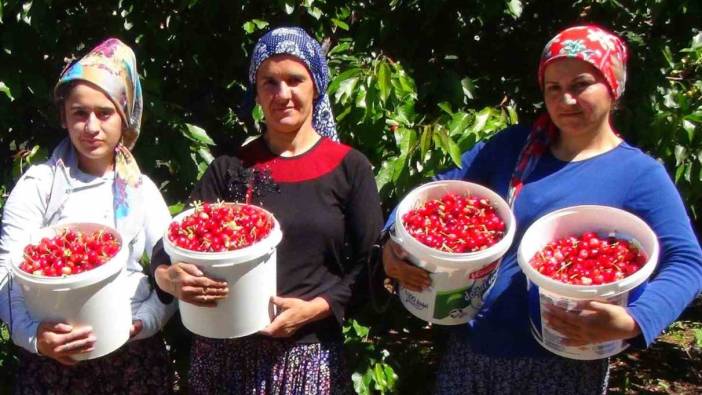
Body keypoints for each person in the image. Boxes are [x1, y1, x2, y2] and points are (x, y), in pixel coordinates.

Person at [382, 25, 702, 394]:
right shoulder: (513, 146)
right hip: (473, 347)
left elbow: (687, 262)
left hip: (561, 365)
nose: (566, 100)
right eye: (554, 88)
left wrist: (636, 320)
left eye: (581, 85)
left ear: (613, 87)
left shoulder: (638, 175)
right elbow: (436, 191)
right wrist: (394, 241)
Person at [149, 26, 383, 394]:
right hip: (223, 355)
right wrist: (168, 277)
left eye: (295, 80)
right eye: (269, 83)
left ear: (316, 86)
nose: (282, 94)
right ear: (256, 93)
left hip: (307, 357)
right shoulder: (231, 169)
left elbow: (374, 264)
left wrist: (318, 307)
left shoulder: (348, 168)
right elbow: (169, 244)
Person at [0, 38, 176, 393]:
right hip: (55, 365)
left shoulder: (139, 188)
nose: (91, 127)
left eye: (104, 113)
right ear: (64, 117)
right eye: (79, 113)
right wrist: (35, 337)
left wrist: (145, 322)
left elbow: (171, 270)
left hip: (132, 361)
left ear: (124, 118)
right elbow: (6, 275)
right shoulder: (40, 185)